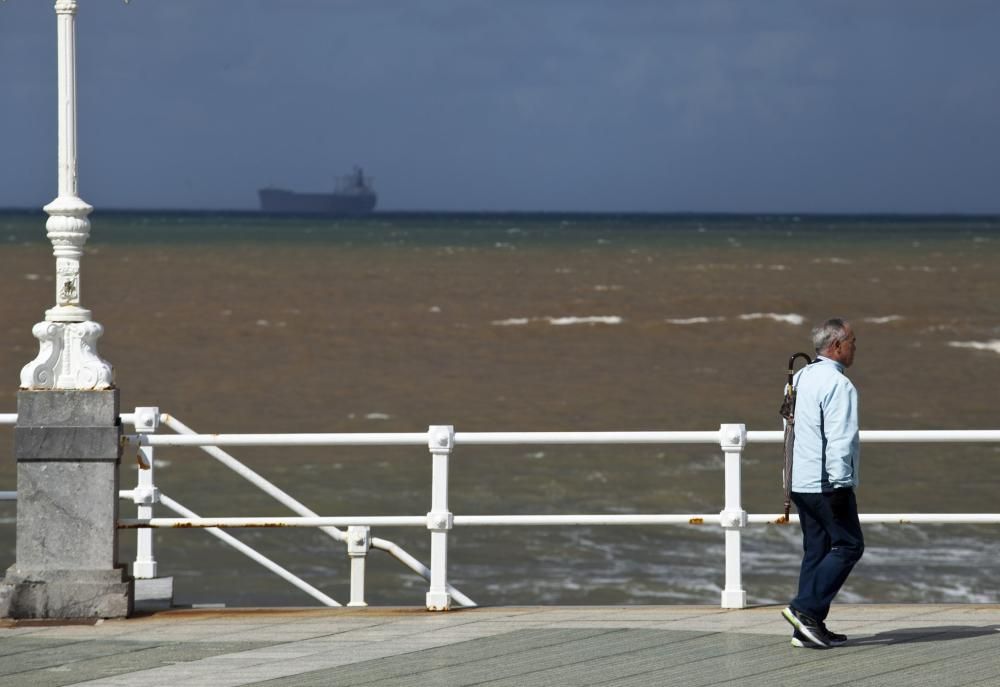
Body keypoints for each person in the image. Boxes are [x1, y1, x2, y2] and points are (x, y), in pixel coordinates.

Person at [781, 318, 863, 649]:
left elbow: (789, 426)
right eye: (853, 341)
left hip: (800, 481)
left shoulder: (800, 376)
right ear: (837, 346)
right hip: (826, 482)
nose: (856, 347)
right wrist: (842, 483)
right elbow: (840, 439)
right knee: (848, 545)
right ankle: (805, 611)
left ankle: (808, 629)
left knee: (816, 550)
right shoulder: (839, 385)